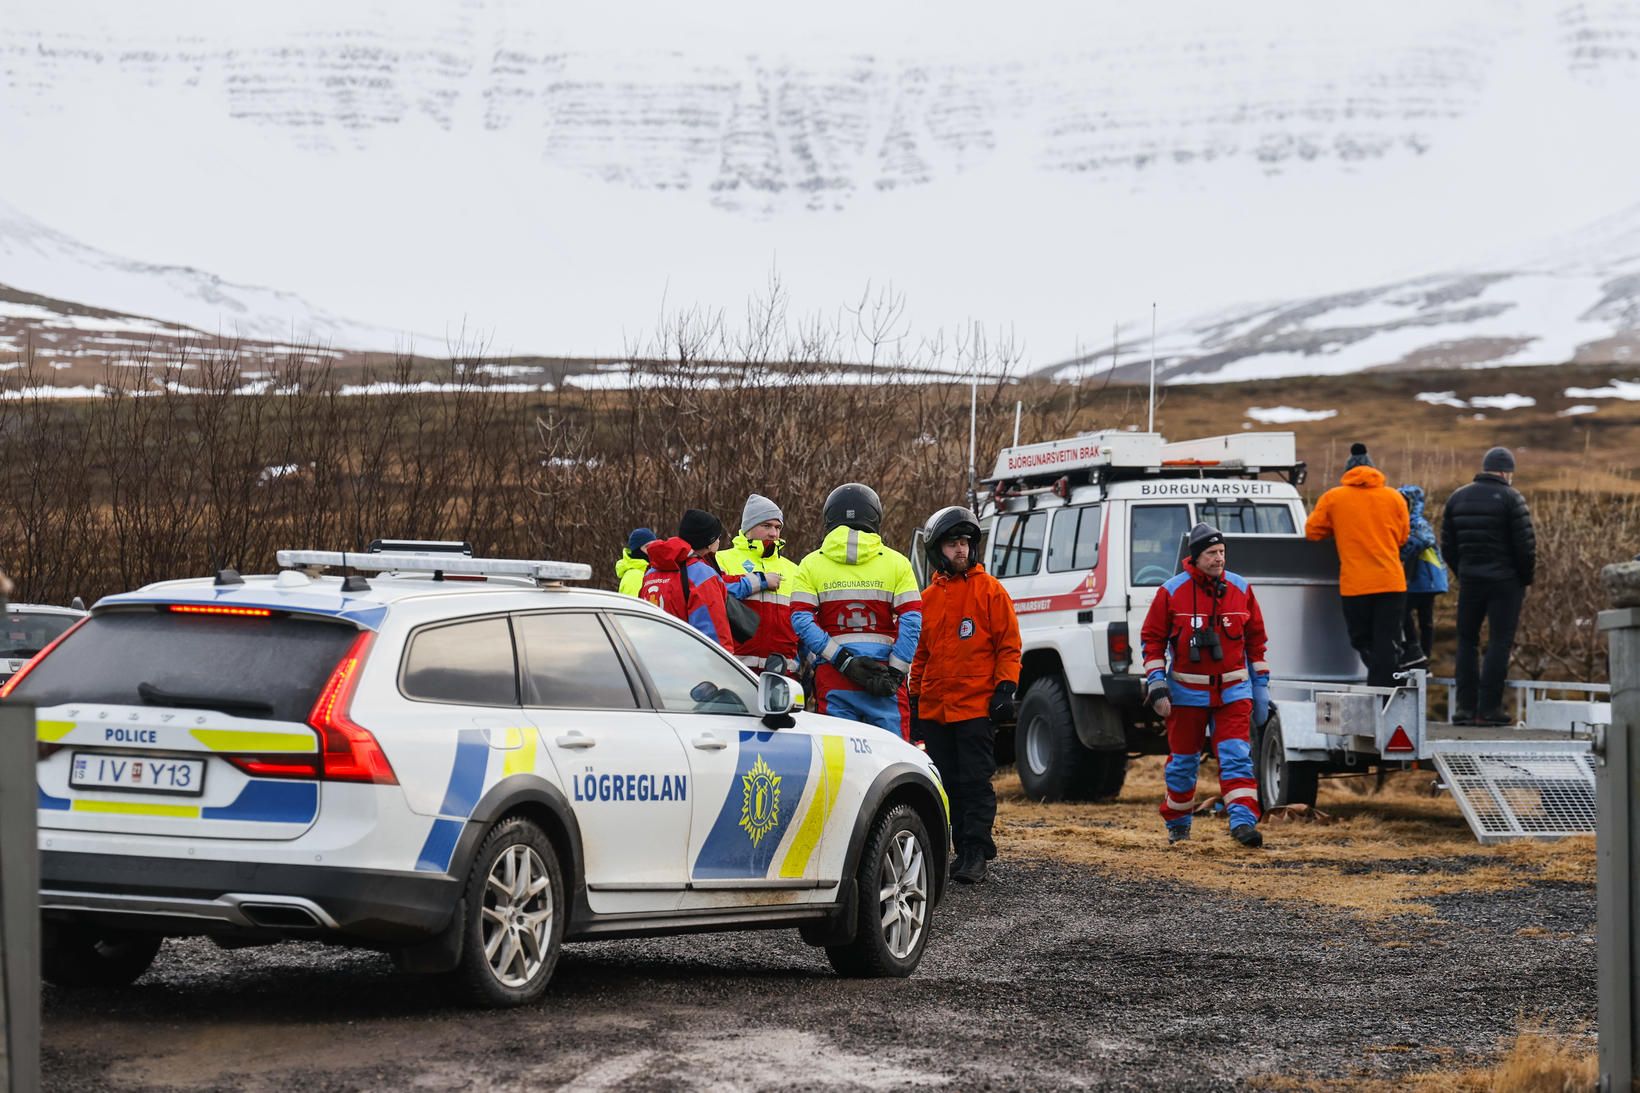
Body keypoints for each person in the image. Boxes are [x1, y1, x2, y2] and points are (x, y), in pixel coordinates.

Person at [909, 506, 1021, 884]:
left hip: (975, 708)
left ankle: (975, 853)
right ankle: (950, 852)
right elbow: (921, 654)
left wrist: (1006, 688)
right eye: (953, 543)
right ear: (938, 550)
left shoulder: (991, 591)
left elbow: (1009, 646)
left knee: (974, 783)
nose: (960, 550)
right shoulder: (926, 598)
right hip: (936, 709)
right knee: (943, 785)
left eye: (965, 543)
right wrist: (913, 696)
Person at [1140, 522, 1270, 848]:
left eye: (1222, 552)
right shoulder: (1171, 592)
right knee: (1183, 763)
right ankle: (1179, 827)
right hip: (1186, 694)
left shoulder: (1241, 589)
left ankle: (1242, 824)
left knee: (1237, 756)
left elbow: (1257, 642)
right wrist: (1156, 684)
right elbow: (1152, 641)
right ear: (1195, 557)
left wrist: (1261, 685)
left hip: (1233, 691)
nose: (1218, 559)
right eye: (1211, 553)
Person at [790, 483, 922, 737]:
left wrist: (843, 660)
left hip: (835, 676)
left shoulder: (810, 564)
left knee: (841, 763)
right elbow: (912, 620)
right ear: (874, 516)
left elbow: (800, 620)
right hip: (883, 677)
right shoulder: (898, 563)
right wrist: (896, 671)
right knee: (895, 760)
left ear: (829, 517)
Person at [1439, 446, 1536, 726]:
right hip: (1505, 582)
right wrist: (1523, 578)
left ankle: (1464, 709)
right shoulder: (1511, 498)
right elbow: (1525, 546)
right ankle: (1489, 709)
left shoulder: (1457, 498)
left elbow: (1448, 546)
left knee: (1466, 641)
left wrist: (1463, 572)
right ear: (1506, 472)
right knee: (1498, 642)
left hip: (1471, 581)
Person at [1305, 443, 1410, 688]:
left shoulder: (1334, 498)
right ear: (1374, 470)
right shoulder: (1395, 497)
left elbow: (1312, 531)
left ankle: (1379, 688)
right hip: (1392, 581)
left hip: (1356, 585)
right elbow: (1404, 536)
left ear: (1348, 472)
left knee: (1362, 640)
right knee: (1387, 640)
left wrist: (1339, 527)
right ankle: (1386, 690)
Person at [716, 493, 800, 673]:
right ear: (749, 528)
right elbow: (714, 594)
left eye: (778, 527)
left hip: (782, 674)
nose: (774, 533)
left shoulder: (794, 570)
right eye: (766, 525)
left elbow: (803, 622)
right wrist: (760, 580)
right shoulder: (722, 559)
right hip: (735, 670)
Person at [639, 510, 737, 652]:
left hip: (650, 660)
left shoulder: (651, 572)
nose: (719, 541)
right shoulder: (702, 575)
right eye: (717, 537)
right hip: (687, 665)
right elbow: (714, 637)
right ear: (709, 542)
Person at [1396, 485, 1447, 670]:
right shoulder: (1410, 522)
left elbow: (1421, 541)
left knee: (1405, 612)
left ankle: (1417, 652)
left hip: (1424, 578)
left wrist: (1398, 552)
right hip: (1424, 579)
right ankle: (1422, 656)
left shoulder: (1417, 523)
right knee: (1423, 618)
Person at [615, 527, 657, 597]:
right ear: (637, 551)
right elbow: (633, 606)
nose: (652, 550)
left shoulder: (647, 571)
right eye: (647, 547)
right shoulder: (634, 576)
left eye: (654, 546)